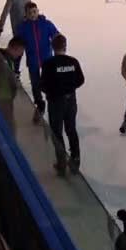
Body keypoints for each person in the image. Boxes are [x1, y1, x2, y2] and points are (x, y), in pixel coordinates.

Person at [40, 33, 85, 176]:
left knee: (56, 131)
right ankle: (75, 159)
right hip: (71, 100)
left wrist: (54, 92)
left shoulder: (48, 64)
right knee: (71, 129)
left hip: (55, 102)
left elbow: (43, 85)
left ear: (52, 47)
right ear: (65, 46)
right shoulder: (73, 62)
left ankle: (61, 162)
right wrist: (69, 89)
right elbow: (80, 80)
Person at [14, 2, 58, 117]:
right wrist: (16, 65)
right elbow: (18, 45)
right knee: (35, 83)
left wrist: (58, 51)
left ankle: (52, 99)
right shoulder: (23, 28)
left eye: (34, 11)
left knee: (48, 81)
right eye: (29, 13)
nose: (32, 14)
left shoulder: (46, 24)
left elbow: (56, 36)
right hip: (33, 60)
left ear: (38, 11)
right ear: (26, 14)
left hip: (47, 59)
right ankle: (39, 102)